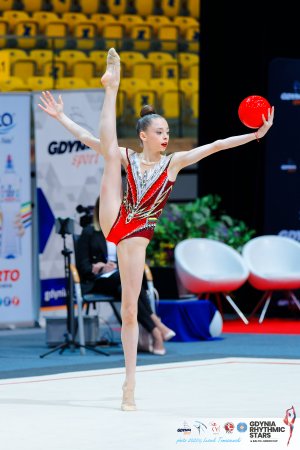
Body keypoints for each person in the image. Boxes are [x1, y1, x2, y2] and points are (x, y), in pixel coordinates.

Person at [38, 48, 274, 411]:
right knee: (108, 157)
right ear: (145, 135)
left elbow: (216, 146)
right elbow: (88, 137)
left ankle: (128, 386)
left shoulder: (174, 163)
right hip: (115, 216)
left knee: (131, 311)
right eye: (160, 131)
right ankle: (111, 86)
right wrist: (61, 118)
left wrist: (255, 136)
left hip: (136, 236)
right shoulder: (129, 156)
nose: (166, 136)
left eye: (167, 132)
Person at [76, 195, 176, 356]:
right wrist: (101, 267)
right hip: (98, 280)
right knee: (128, 279)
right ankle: (157, 326)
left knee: (126, 286)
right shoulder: (89, 233)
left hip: (119, 281)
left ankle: (155, 333)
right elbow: (83, 266)